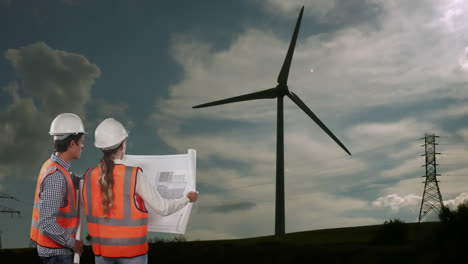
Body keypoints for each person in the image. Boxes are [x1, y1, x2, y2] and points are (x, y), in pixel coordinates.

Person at [83, 118, 198, 264]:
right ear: (123, 145)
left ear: (100, 148)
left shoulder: (88, 177)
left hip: (101, 256)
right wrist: (187, 198)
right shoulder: (134, 175)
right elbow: (163, 208)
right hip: (133, 256)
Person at [30, 113, 85, 263]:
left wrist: (89, 180)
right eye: (81, 142)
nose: (83, 146)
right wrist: (73, 243)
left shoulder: (56, 166)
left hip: (55, 251)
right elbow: (47, 222)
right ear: (72, 144)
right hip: (56, 253)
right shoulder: (56, 177)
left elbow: (71, 180)